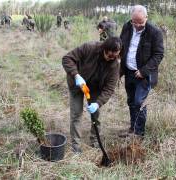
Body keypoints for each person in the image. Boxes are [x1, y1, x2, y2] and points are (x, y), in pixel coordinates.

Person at [62, 37, 122, 153]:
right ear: (104, 48)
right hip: (77, 84)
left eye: (115, 56)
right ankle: (76, 146)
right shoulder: (89, 48)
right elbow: (67, 58)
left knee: (96, 115)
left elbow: (109, 89)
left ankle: (95, 141)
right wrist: (76, 75)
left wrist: (98, 103)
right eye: (109, 56)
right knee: (76, 115)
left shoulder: (114, 64)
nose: (111, 59)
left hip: (95, 88)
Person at [119, 5, 164, 138]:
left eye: (141, 22)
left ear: (146, 18)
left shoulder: (155, 32)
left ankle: (139, 133)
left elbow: (158, 54)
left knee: (139, 102)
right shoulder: (127, 27)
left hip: (144, 75)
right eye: (135, 22)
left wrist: (144, 71)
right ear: (131, 19)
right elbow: (121, 46)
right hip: (128, 72)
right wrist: (120, 69)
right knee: (131, 101)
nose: (138, 25)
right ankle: (132, 128)